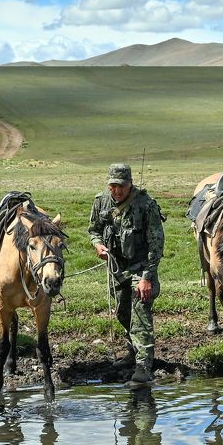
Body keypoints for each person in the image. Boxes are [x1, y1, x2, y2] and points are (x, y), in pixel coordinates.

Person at [88, 163, 166, 384]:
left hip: (141, 268)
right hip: (117, 269)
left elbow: (156, 244)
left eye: (122, 186)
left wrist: (146, 278)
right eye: (113, 186)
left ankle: (143, 368)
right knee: (124, 314)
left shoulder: (146, 205)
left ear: (130, 184)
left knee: (140, 314)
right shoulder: (101, 201)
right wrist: (98, 245)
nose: (117, 190)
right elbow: (93, 229)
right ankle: (133, 352)